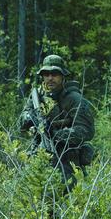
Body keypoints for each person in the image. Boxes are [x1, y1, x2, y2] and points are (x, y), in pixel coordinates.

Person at [20, 54, 96, 188]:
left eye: (54, 74)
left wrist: (55, 134)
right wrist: (29, 119)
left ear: (62, 76)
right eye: (46, 74)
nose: (50, 78)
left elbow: (86, 131)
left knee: (67, 200)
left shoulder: (74, 99)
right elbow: (22, 121)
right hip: (39, 158)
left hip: (67, 160)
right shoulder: (37, 96)